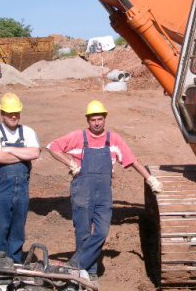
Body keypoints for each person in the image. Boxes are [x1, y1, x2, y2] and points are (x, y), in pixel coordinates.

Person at [47, 99, 163, 282]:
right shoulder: (78, 137)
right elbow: (52, 147)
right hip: (82, 191)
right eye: (93, 119)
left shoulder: (113, 139)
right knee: (83, 232)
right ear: (88, 120)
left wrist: (149, 178)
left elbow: (131, 160)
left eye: (100, 119)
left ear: (105, 119)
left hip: (103, 192)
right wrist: (70, 163)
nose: (97, 123)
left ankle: (76, 265)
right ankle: (90, 272)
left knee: (101, 231)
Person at [0, 92, 41, 263]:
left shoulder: (28, 132)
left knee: (17, 229)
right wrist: (23, 155)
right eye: (9, 113)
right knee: (0, 228)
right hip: (0, 189)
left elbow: (35, 152)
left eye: (16, 112)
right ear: (2, 113)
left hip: (21, 188)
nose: (13, 116)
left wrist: (8, 150)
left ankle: (14, 264)